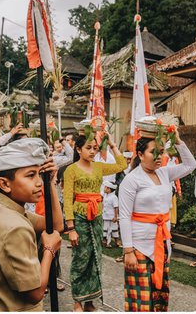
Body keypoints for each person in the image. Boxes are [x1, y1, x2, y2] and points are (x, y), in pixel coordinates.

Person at [0, 137, 64, 311]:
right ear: (4, 184)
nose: (39, 182)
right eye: (31, 175)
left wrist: (50, 183)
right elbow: (35, 294)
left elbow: (55, 225)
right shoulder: (15, 227)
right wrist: (49, 251)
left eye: (39, 174)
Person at [118, 130, 196, 311]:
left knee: (159, 293)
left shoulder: (164, 173)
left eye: (161, 152)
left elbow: (190, 164)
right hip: (139, 246)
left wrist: (177, 140)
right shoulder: (131, 180)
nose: (159, 156)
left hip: (162, 242)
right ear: (139, 154)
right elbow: (124, 215)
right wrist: (128, 250)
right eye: (153, 152)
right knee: (141, 297)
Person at [63, 132, 127, 311]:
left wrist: (113, 145)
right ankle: (77, 301)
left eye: (95, 148)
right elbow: (68, 198)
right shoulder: (71, 170)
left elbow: (122, 164)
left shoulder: (99, 166)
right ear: (78, 149)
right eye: (88, 148)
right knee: (80, 259)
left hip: (97, 216)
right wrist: (71, 228)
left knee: (95, 258)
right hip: (80, 217)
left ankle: (90, 302)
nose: (92, 151)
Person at [101, 180, 120, 248]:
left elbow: (116, 207)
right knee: (105, 228)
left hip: (112, 217)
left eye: (105, 187)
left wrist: (116, 216)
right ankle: (106, 241)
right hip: (105, 216)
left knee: (114, 229)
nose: (104, 188)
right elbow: (103, 204)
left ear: (109, 189)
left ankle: (117, 241)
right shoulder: (105, 195)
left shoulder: (114, 197)